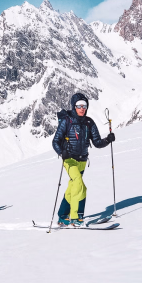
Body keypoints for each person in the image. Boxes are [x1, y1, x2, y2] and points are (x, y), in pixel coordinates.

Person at [52, 93, 115, 226]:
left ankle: (63, 216)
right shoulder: (67, 121)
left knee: (73, 187)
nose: (82, 108)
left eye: (84, 106)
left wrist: (108, 140)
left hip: (82, 161)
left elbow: (97, 142)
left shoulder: (89, 122)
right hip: (69, 159)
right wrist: (61, 152)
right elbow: (56, 141)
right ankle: (76, 218)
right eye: (79, 106)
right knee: (79, 184)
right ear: (74, 107)